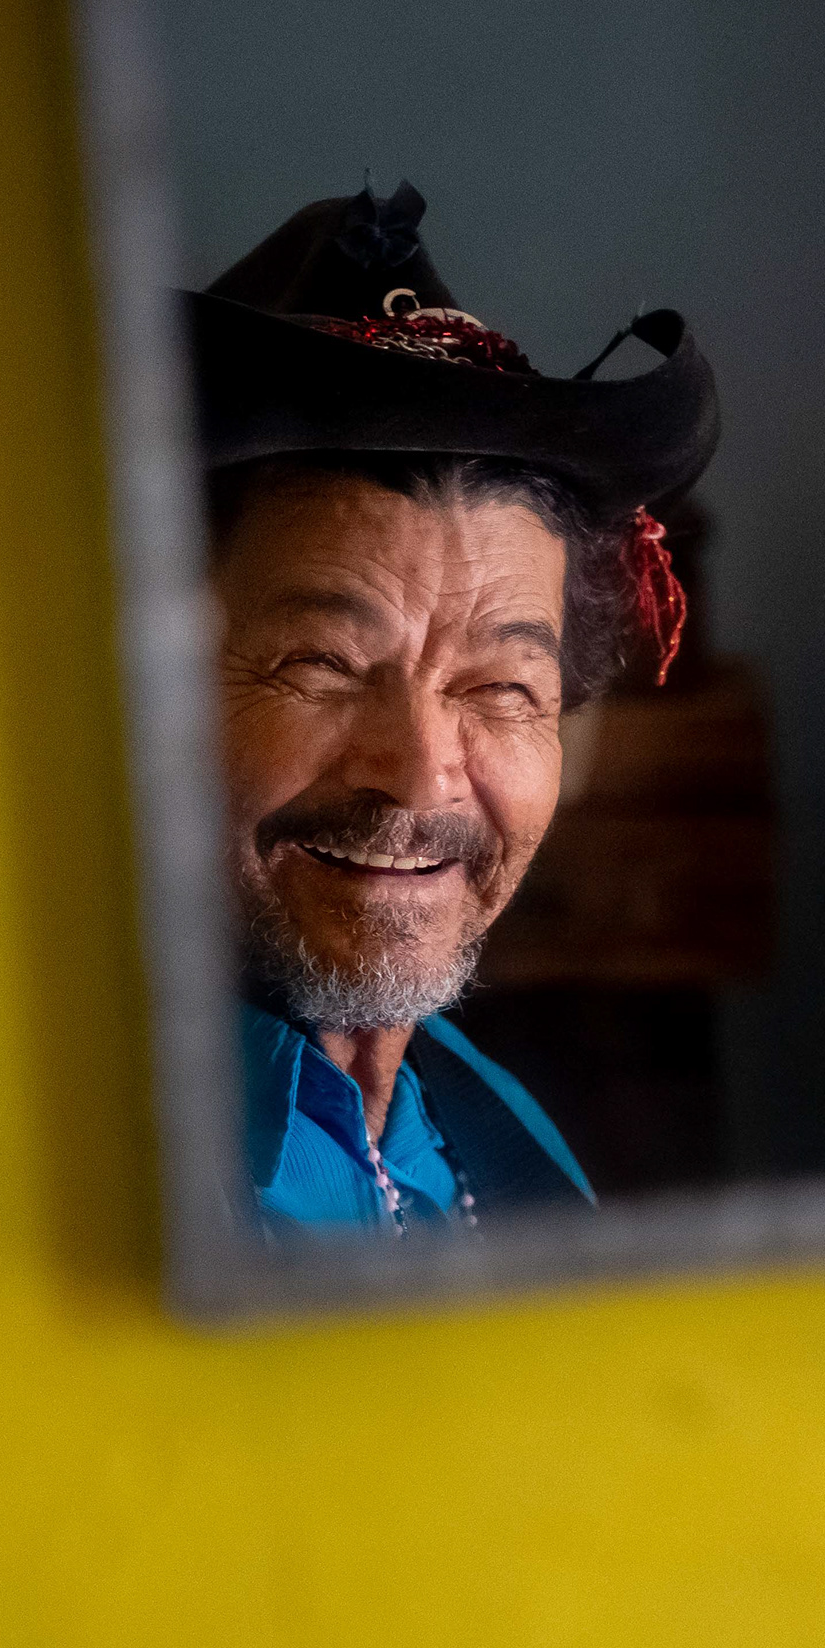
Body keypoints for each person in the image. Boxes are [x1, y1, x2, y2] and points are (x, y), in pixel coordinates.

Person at [185, 184, 719, 1239]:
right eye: (325, 664)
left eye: (500, 688)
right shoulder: (60, 1163)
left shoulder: (501, 1136)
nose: (423, 771)